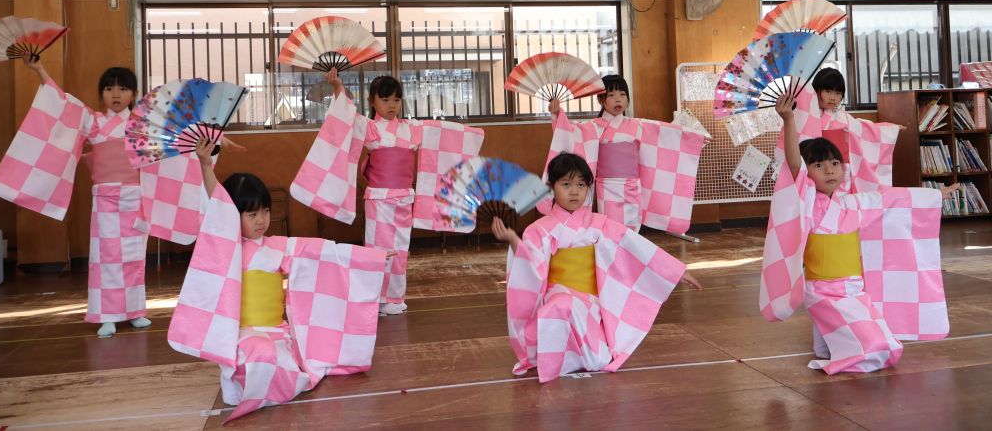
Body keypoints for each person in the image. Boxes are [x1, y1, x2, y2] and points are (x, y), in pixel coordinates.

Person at [167, 140, 388, 421]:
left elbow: (326, 253)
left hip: (276, 331)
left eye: (265, 211)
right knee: (256, 356)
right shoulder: (227, 246)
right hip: (241, 332)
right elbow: (217, 206)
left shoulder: (278, 245)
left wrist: (373, 258)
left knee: (282, 364)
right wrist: (205, 164)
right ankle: (238, 380)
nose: (261, 220)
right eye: (251, 214)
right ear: (232, 216)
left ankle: (255, 383)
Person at [760, 94, 956, 374]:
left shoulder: (852, 202)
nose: (829, 170)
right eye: (818, 166)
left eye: (835, 164)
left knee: (888, 346)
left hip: (853, 290)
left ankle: (827, 345)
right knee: (871, 349)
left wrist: (936, 195)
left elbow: (894, 200)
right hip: (822, 291)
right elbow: (794, 165)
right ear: (808, 172)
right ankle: (828, 345)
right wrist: (789, 119)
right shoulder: (807, 203)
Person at [491, 152, 701, 382]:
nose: (574, 191)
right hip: (556, 293)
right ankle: (554, 361)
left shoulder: (599, 224)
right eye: (566, 184)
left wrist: (675, 271)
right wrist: (513, 240)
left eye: (581, 184)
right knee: (559, 306)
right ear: (551, 187)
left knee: (597, 358)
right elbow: (531, 263)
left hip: (591, 300)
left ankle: (576, 357)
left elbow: (635, 248)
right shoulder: (540, 229)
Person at [291, 69, 484, 315]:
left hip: (403, 197)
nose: (391, 105)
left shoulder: (411, 128)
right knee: (377, 248)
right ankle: (376, 297)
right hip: (379, 199)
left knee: (401, 250)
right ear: (372, 101)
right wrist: (338, 87)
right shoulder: (370, 128)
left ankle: (394, 297)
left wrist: (471, 135)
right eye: (385, 100)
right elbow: (346, 115)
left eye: (396, 99)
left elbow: (442, 133)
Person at [0, 57, 152, 337]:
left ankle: (136, 311)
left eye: (123, 88)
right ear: (101, 93)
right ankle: (108, 316)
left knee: (134, 256)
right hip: (105, 198)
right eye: (109, 88)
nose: (116, 94)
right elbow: (63, 103)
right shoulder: (93, 120)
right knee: (106, 257)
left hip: (135, 198)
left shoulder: (141, 125)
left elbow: (172, 145)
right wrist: (40, 70)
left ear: (134, 94)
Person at [544, 74, 705, 234]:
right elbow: (570, 132)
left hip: (632, 185)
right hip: (606, 185)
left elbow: (666, 134)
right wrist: (558, 114)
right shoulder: (594, 127)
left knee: (632, 226)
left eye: (622, 94)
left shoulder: (637, 125)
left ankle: (629, 255)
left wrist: (695, 140)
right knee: (610, 226)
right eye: (611, 95)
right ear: (601, 100)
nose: (618, 99)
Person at [778, 67, 903, 193]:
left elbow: (863, 128)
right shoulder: (803, 114)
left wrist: (890, 129)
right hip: (812, 167)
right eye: (828, 91)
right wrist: (794, 80)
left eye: (838, 93)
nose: (833, 97)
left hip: (837, 168)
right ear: (816, 90)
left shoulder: (841, 116)